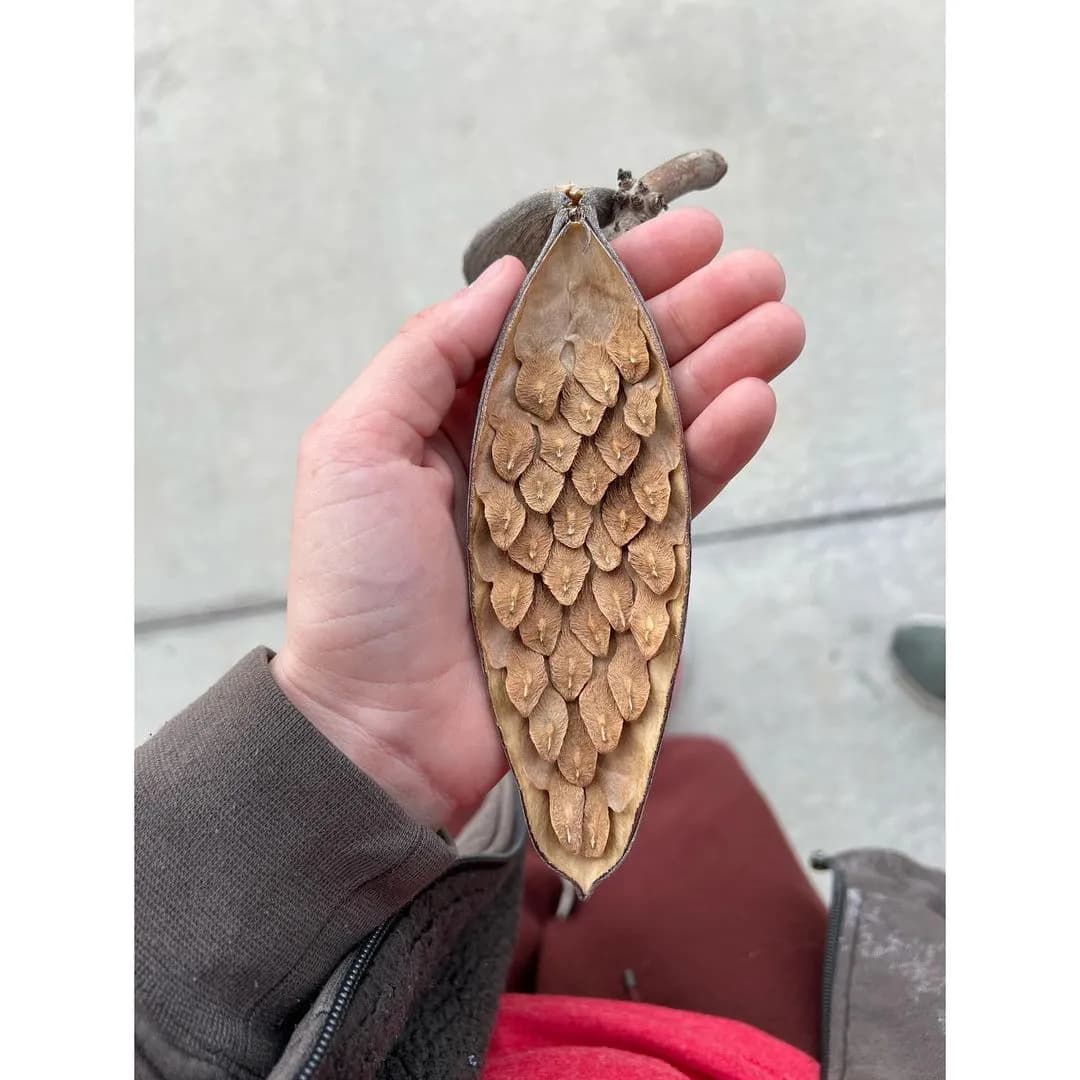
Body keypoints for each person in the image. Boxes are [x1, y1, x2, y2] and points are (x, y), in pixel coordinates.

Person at [135, 208, 944, 1079]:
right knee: (693, 808)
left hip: (444, 1015)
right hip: (762, 1033)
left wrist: (350, 734)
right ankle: (603, 706)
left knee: (627, 818)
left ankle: (600, 707)